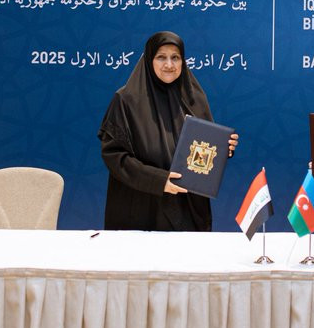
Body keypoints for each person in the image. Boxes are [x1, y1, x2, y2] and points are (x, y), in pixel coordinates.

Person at [98, 31, 238, 231]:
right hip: (142, 206)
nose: (169, 65)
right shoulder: (126, 100)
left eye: (175, 57)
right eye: (161, 57)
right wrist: (158, 180)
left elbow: (203, 149)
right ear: (149, 60)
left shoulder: (195, 99)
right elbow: (115, 157)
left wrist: (224, 149)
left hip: (188, 207)